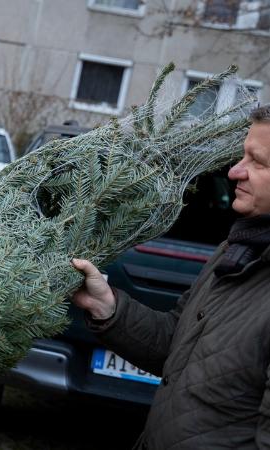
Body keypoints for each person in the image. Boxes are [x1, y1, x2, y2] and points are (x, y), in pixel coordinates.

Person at [71, 104, 270, 449]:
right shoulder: (238, 250)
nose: (235, 171)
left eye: (258, 162)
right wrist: (108, 307)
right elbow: (175, 346)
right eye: (242, 156)